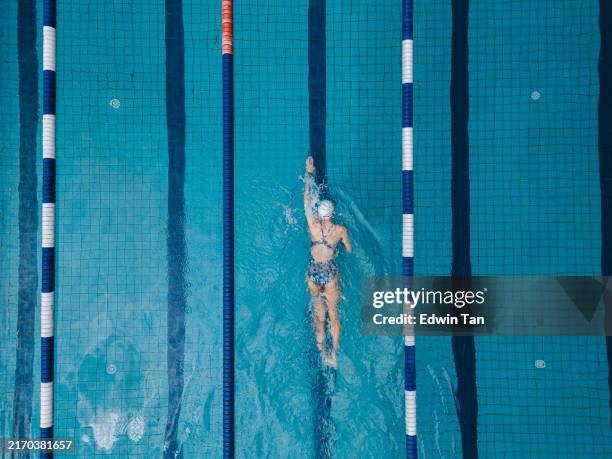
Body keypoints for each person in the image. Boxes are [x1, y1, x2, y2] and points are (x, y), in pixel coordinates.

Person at [304, 156, 352, 368]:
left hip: (314, 273)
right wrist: (341, 245)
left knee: (319, 312)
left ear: (319, 214)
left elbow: (306, 198)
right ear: (332, 213)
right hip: (330, 273)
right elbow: (349, 250)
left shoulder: (313, 226)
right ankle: (333, 354)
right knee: (333, 313)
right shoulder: (340, 230)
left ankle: (321, 350)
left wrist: (309, 173)